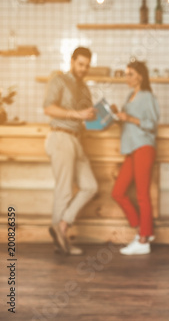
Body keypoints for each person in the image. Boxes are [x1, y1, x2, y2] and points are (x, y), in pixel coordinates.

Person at [43, 47, 98, 256]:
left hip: (77, 139)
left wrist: (97, 116)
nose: (83, 69)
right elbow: (48, 108)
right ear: (72, 61)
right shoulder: (58, 80)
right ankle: (61, 240)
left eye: (87, 65)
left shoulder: (85, 89)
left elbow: (85, 118)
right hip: (60, 136)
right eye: (80, 64)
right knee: (64, 189)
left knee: (90, 186)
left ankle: (62, 225)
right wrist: (77, 113)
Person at [111, 60, 159, 255]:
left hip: (144, 148)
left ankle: (143, 240)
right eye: (126, 74)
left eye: (130, 74)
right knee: (118, 192)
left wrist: (128, 118)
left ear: (140, 75)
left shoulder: (147, 97)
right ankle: (144, 230)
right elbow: (128, 124)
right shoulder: (130, 96)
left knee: (142, 195)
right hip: (132, 149)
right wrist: (116, 115)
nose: (127, 78)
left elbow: (152, 124)